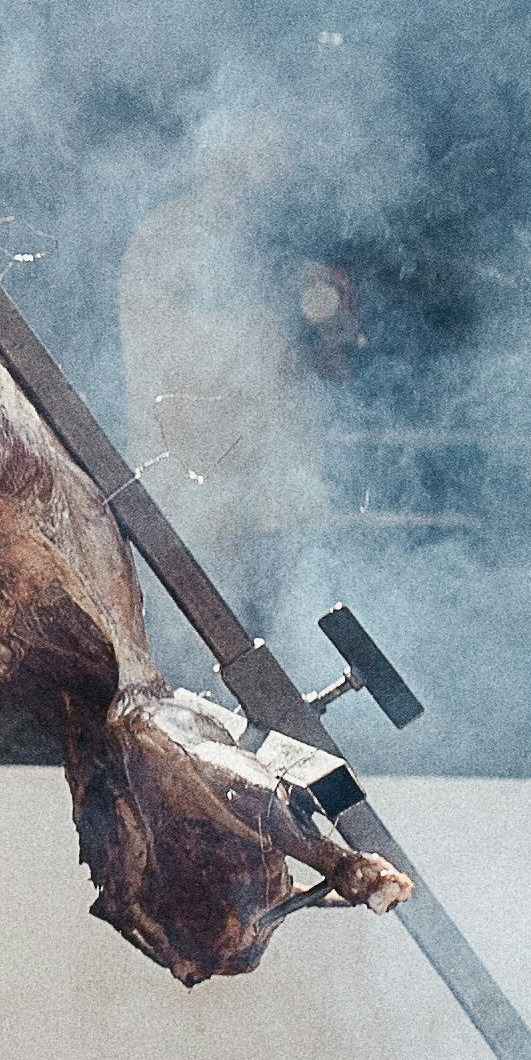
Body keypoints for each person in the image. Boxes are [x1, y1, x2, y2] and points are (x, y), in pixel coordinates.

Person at [114, 103, 355, 671]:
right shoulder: (169, 240)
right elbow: (195, 368)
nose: (279, 172)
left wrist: (326, 312)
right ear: (222, 161)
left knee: (291, 660)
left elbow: (331, 347)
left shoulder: (264, 243)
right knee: (201, 666)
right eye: (266, 157)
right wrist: (297, 301)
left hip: (275, 501)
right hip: (197, 499)